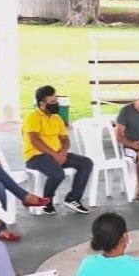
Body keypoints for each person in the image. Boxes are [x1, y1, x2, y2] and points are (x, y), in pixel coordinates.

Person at [24, 85, 94, 214]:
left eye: (56, 100)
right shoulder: (32, 116)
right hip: (36, 156)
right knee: (57, 174)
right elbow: (35, 140)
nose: (56, 103)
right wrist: (55, 155)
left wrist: (62, 152)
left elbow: (65, 139)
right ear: (42, 103)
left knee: (86, 163)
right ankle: (47, 202)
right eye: (52, 102)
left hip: (57, 154)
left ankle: (73, 198)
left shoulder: (57, 118)